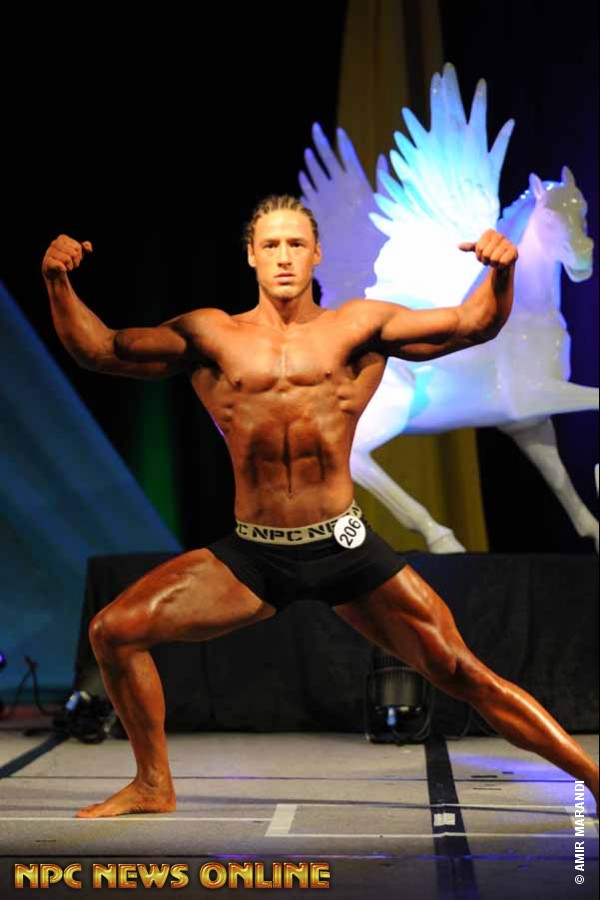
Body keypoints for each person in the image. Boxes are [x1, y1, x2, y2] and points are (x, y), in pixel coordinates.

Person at [42, 195, 598, 819]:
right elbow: (101, 349)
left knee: (461, 671)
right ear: (251, 256)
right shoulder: (209, 334)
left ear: (316, 254)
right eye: (271, 245)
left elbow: (473, 324)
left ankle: (594, 778)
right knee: (112, 631)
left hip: (343, 548)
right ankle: (152, 784)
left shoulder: (359, 327)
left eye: (295, 244)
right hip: (253, 555)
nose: (283, 256)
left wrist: (501, 271)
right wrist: (58, 281)